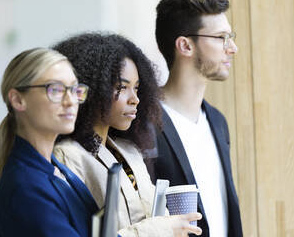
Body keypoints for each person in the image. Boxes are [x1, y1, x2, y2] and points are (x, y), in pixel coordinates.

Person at [53, 33, 202, 237]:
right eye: (121, 87)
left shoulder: (129, 151)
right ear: (93, 88)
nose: (135, 99)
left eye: (137, 88)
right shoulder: (67, 156)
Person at [150, 0, 243, 237]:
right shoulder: (145, 123)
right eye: (222, 37)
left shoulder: (217, 121)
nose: (232, 47)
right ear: (185, 45)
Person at [0, 48, 99, 237]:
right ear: (17, 99)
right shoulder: (25, 189)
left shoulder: (55, 168)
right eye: (56, 90)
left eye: (74, 89)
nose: (71, 101)